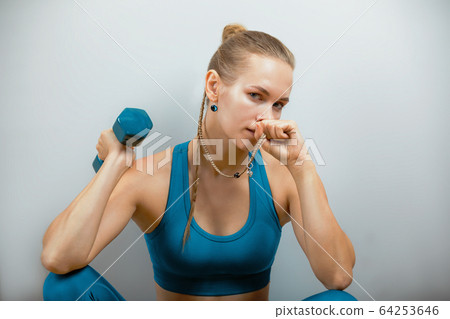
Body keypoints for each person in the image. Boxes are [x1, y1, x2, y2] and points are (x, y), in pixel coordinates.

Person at [41, 23, 357, 301]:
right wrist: (115, 164)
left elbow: (338, 277)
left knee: (340, 305)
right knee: (65, 286)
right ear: (214, 87)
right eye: (256, 96)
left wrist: (303, 168)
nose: (268, 116)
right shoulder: (155, 175)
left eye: (279, 104)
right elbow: (57, 257)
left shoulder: (283, 178)